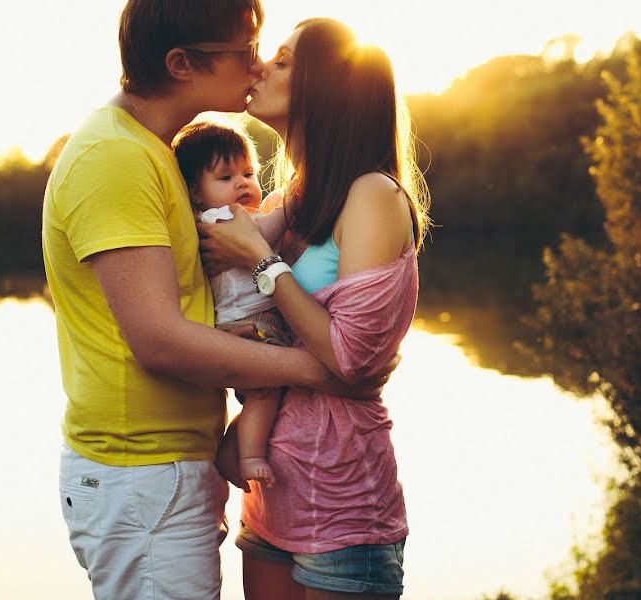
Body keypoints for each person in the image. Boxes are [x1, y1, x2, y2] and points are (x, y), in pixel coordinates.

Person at [41, 2, 396, 599]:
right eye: (247, 49)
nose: (257, 66)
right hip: (142, 473)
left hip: (173, 471)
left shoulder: (160, 153)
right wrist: (326, 369)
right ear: (182, 63)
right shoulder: (117, 158)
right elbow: (159, 339)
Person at [198, 17, 431, 600]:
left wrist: (261, 260)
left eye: (280, 61)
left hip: (344, 504)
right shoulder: (285, 202)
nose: (259, 68)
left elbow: (351, 358)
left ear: (325, 88)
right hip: (272, 500)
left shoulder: (372, 195)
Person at [173, 120, 290, 486]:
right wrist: (290, 208)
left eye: (248, 172)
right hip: (248, 324)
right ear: (196, 192)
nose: (242, 183)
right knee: (265, 390)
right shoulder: (219, 220)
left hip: (253, 318)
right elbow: (263, 234)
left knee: (267, 393)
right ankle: (249, 455)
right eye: (225, 178)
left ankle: (230, 450)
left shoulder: (231, 217)